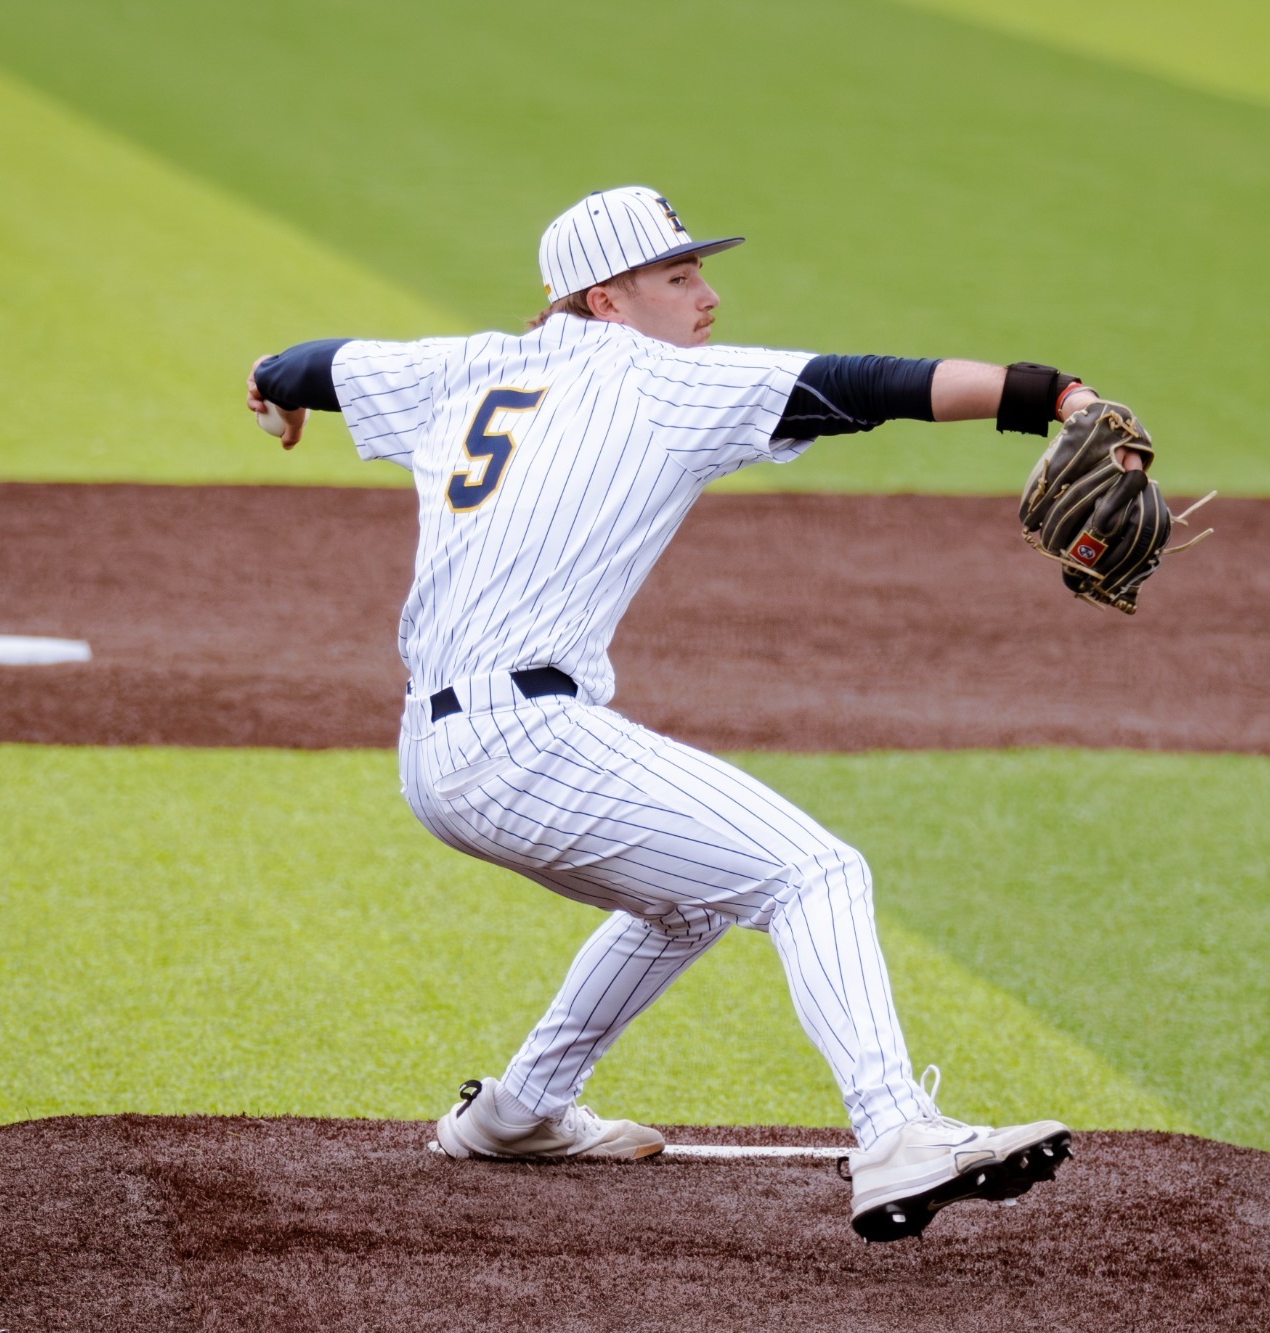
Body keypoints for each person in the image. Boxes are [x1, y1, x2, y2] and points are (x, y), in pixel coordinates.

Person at [247, 186, 1136, 1241]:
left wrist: (271, 389)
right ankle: (895, 1131)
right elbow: (869, 385)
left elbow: (315, 360)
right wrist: (1060, 397)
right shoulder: (663, 383)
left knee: (690, 897)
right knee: (814, 870)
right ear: (605, 298)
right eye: (677, 276)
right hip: (527, 741)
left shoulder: (464, 365)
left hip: (438, 756)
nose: (707, 295)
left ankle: (521, 1110)